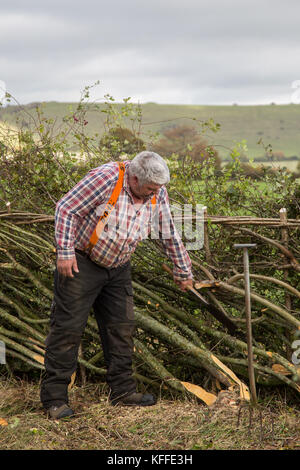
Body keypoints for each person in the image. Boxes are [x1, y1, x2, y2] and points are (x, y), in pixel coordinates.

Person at [40, 151, 193, 419]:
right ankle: (55, 400)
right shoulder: (105, 178)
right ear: (134, 177)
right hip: (81, 262)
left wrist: (182, 269)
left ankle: (122, 392)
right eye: (149, 188)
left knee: (121, 329)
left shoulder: (157, 191)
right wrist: (64, 252)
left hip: (118, 266)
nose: (153, 194)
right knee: (67, 329)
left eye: (158, 189)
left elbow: (167, 229)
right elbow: (66, 208)